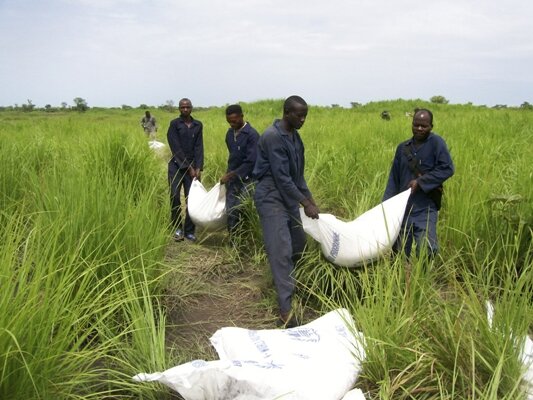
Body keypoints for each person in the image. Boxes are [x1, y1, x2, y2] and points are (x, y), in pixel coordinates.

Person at [252, 95, 319, 328]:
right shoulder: (272, 137)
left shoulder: (295, 137)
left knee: (299, 244)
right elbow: (281, 177)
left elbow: (296, 176)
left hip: (287, 195)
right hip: (271, 197)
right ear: (287, 112)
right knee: (281, 250)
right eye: (299, 115)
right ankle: (285, 309)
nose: (303, 120)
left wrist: (310, 200)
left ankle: (290, 285)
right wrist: (304, 203)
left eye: (305, 116)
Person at [383, 108, 454, 258]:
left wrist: (421, 182)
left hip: (425, 208)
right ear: (412, 124)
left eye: (424, 126)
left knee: (427, 249)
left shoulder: (436, 143)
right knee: (399, 253)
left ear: (431, 127)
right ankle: (403, 280)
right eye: (416, 125)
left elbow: (447, 168)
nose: (419, 129)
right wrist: (385, 206)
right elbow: (394, 178)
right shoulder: (403, 148)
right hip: (403, 210)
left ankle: (423, 279)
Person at [219, 104, 260, 239]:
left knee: (241, 209)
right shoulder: (229, 134)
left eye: (234, 120)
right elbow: (233, 155)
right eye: (229, 121)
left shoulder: (252, 135)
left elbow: (251, 161)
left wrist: (231, 175)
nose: (231, 124)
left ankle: (245, 239)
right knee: (230, 209)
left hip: (248, 179)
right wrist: (229, 174)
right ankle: (234, 240)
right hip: (232, 179)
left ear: (242, 116)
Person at [167, 98, 204, 242]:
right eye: (182, 107)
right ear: (179, 109)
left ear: (191, 108)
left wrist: (198, 167)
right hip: (177, 165)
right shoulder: (175, 124)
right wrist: (188, 167)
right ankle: (177, 228)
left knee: (192, 199)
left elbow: (199, 147)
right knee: (175, 196)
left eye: (187, 107)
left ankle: (189, 230)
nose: (185, 109)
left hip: (194, 167)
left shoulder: (197, 125)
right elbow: (175, 147)